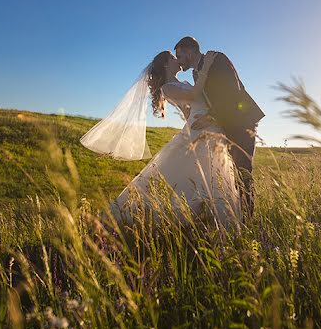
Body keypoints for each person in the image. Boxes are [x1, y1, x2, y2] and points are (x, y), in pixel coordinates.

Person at [80, 49, 242, 227]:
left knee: (213, 175)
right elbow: (195, 94)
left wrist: (202, 118)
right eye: (174, 58)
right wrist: (207, 67)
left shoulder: (181, 83)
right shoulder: (167, 88)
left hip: (205, 128)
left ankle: (209, 219)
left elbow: (188, 112)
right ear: (166, 64)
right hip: (199, 132)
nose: (177, 60)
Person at [173, 36, 264, 216]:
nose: (178, 61)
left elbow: (232, 91)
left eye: (179, 55)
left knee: (243, 172)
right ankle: (234, 216)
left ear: (189, 51)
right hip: (222, 127)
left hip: (241, 123)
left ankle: (247, 220)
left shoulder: (217, 59)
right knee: (229, 174)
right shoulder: (196, 73)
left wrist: (211, 117)